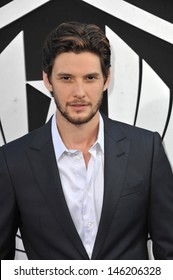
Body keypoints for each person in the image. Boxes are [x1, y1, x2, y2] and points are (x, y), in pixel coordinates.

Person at [0, 21, 173, 260]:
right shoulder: (12, 161)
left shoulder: (146, 150)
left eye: (90, 77)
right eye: (67, 78)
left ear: (106, 79)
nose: (79, 92)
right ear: (48, 80)